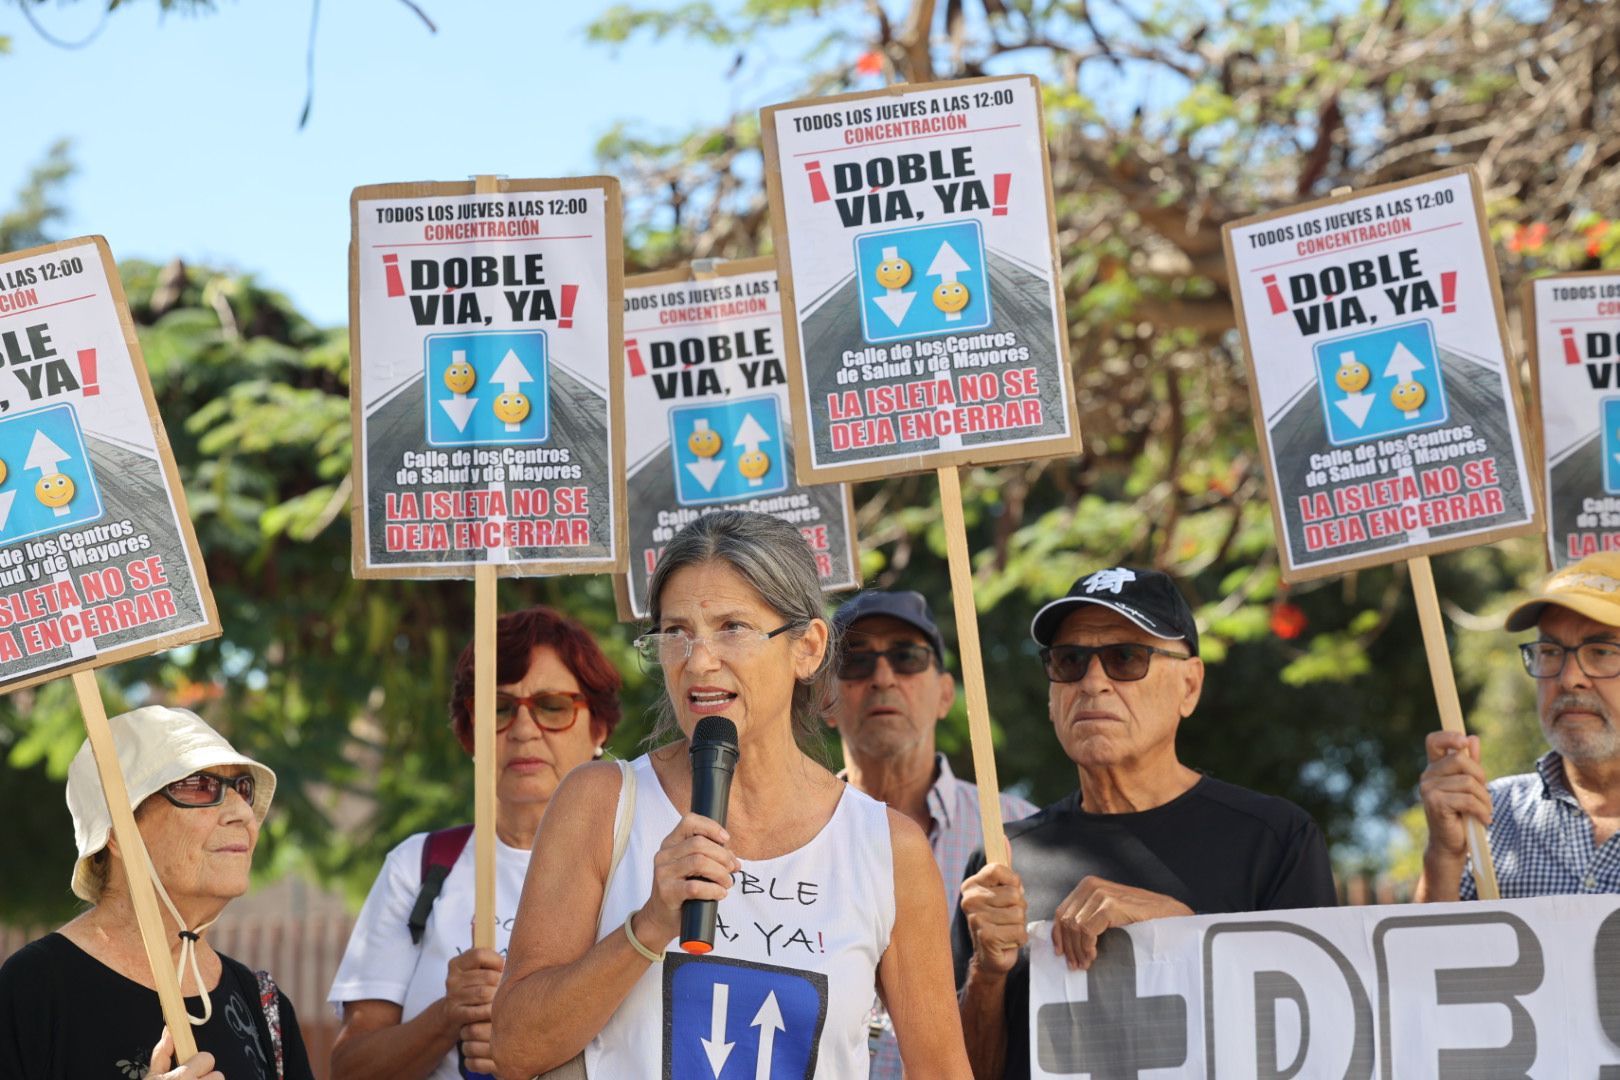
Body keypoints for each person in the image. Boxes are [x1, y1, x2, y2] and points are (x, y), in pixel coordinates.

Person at [490, 510, 972, 1079]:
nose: (698, 661)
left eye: (732, 628)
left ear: (808, 647)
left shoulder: (887, 848)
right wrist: (648, 927)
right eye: (676, 632)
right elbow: (515, 1048)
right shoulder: (600, 803)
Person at [954, 566, 1337, 1079]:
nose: (1093, 683)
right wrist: (986, 973)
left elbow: (1320, 1046)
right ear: (1051, 696)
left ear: (1190, 686)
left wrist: (1178, 934)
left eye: (1125, 658)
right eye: (1069, 661)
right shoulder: (1003, 862)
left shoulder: (1276, 840)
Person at [329, 606, 622, 1079]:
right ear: (470, 735)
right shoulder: (418, 867)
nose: (523, 730)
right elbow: (350, 1068)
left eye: (552, 706)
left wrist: (533, 1043)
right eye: (498, 709)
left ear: (599, 729)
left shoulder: (640, 868)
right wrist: (449, 1015)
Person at [0, 705, 315, 1080]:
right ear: (118, 833)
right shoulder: (35, 989)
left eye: (243, 789)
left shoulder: (263, 1004)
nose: (244, 814)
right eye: (200, 786)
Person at [827, 589, 1036, 1079]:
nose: (882, 677)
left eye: (906, 657)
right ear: (823, 699)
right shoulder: (784, 840)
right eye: (856, 661)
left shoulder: (1019, 834)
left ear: (945, 694)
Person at [1416, 552, 1620, 901]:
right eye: (1550, 651)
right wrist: (1444, 857)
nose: (1569, 678)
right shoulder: (1486, 815)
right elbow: (1425, 938)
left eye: (1602, 652)